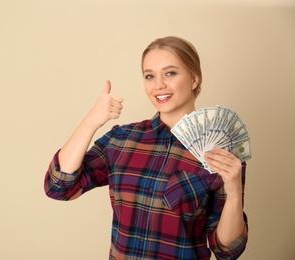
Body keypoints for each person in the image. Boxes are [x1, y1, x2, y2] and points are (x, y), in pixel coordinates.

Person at [44, 36, 248, 260]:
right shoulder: (122, 140)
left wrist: (234, 191)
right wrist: (92, 120)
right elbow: (59, 187)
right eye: (150, 76)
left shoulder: (220, 153)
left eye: (170, 73)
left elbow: (227, 251)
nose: (158, 85)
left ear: (193, 79)